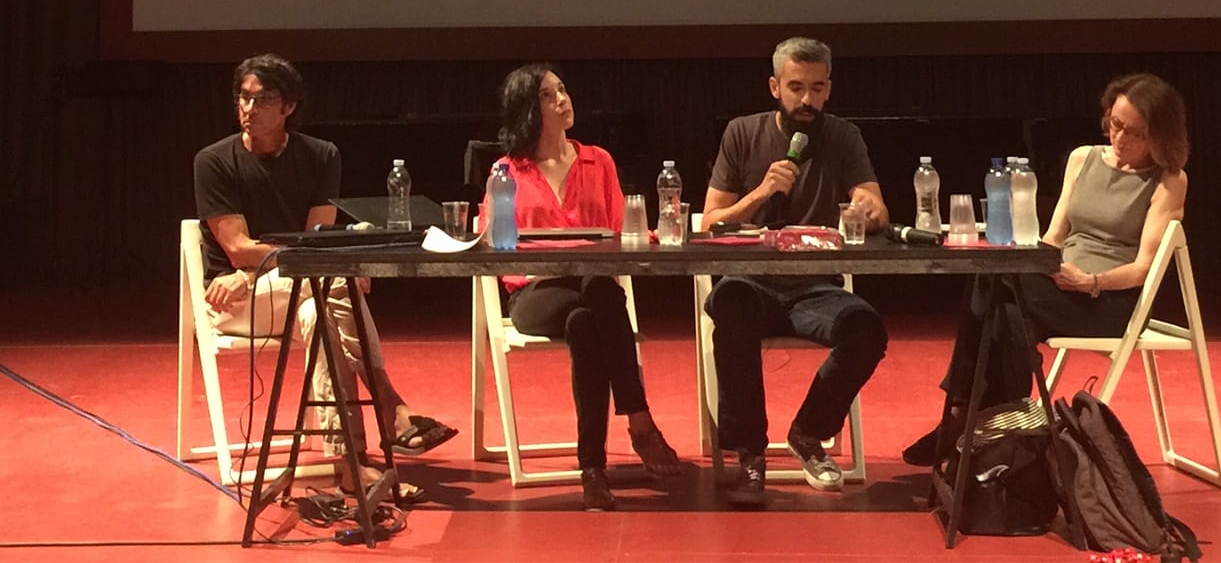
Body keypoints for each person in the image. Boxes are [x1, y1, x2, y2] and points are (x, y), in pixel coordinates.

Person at [194, 54, 456, 493]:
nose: (249, 108)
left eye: (263, 99)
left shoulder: (321, 155)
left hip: (298, 290)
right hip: (236, 299)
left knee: (321, 311)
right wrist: (260, 269)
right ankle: (390, 406)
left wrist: (288, 261)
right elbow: (238, 249)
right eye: (243, 97)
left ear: (289, 108)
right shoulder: (214, 161)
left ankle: (350, 466)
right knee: (337, 279)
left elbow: (316, 242)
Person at [902, 72, 1190, 466]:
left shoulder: (1169, 181)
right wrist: (1035, 264)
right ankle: (997, 423)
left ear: (1160, 136)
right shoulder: (1082, 158)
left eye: (1135, 133)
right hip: (1056, 283)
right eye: (1116, 125)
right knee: (1000, 296)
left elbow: (1144, 268)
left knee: (1004, 293)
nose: (1120, 139)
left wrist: (1089, 281)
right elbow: (1054, 236)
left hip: (1109, 300)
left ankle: (967, 418)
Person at [479, 63, 680, 512]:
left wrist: (654, 232)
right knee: (600, 294)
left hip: (591, 290)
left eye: (563, 90)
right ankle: (641, 421)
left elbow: (619, 231)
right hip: (534, 293)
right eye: (549, 95)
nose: (563, 100)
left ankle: (592, 469)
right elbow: (493, 244)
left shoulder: (598, 160)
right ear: (529, 109)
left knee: (589, 318)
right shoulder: (507, 171)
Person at [701, 37, 889, 504]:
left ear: (828, 89)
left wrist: (866, 208)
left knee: (866, 330)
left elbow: (878, 207)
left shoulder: (844, 136)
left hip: (816, 286)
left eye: (818, 89)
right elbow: (709, 223)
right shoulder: (742, 133)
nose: (808, 100)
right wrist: (760, 192)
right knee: (732, 308)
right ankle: (750, 455)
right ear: (774, 87)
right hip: (750, 280)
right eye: (796, 88)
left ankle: (808, 434)